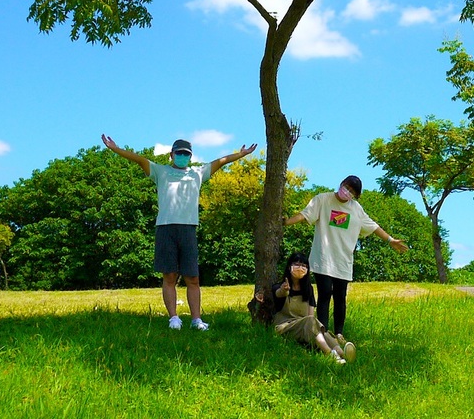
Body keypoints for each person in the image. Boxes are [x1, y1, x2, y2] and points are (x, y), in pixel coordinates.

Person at [101, 133, 257, 331]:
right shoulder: (160, 171)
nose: (182, 156)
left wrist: (241, 154)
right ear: (171, 154)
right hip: (165, 228)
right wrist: (115, 149)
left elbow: (221, 162)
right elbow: (138, 159)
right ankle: (173, 318)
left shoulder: (197, 173)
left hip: (188, 229)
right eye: (179, 153)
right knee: (169, 276)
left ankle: (196, 320)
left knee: (193, 278)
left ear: (190, 157)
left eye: (186, 154)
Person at [284, 175, 408, 348]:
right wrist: (285, 222)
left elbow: (373, 226)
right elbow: (305, 215)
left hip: (343, 260)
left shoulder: (356, 209)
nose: (347, 192)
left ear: (355, 195)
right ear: (341, 183)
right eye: (346, 187)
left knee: (341, 297)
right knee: (325, 293)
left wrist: (391, 240)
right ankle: (324, 331)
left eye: (352, 191)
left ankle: (339, 333)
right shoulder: (323, 199)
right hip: (323, 257)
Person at [256, 252, 349, 363]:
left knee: (324, 331)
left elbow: (310, 315)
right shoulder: (279, 286)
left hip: (304, 326)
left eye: (304, 266)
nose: (300, 268)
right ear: (289, 266)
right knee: (311, 322)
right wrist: (284, 290)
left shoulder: (308, 289)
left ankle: (342, 353)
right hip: (285, 326)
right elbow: (279, 293)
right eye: (296, 264)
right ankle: (329, 354)